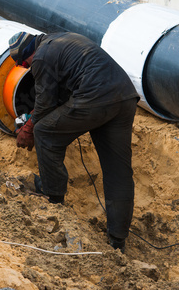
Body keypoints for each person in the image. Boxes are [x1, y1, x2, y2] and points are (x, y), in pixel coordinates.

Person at [8, 31, 139, 252]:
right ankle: (118, 239)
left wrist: (28, 128)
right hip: (124, 97)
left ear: (26, 55)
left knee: (44, 132)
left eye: (25, 65)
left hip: (95, 97)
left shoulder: (40, 57)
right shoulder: (61, 39)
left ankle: (54, 196)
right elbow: (56, 96)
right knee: (118, 172)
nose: (29, 69)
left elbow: (45, 103)